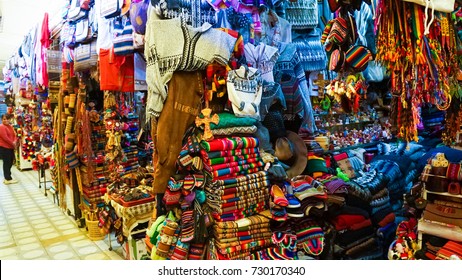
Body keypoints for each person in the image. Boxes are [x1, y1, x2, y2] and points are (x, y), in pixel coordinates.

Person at [0, 114, 18, 185]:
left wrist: (15, 141)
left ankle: (8, 177)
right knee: (7, 163)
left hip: (10, 147)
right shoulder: (1, 127)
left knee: (10, 161)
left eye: (7, 119)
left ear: (10, 119)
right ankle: (7, 178)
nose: (6, 120)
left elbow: (14, 135)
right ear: (2, 120)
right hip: (4, 147)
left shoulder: (10, 126)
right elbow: (5, 138)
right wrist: (13, 143)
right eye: (4, 119)